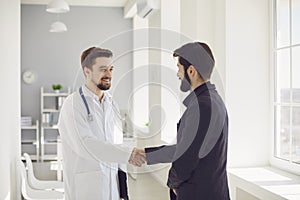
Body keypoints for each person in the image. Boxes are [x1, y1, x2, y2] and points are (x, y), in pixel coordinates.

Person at [134, 42, 230, 200]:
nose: (178, 74)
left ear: (191, 71)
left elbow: (187, 157)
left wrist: (173, 183)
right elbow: (187, 147)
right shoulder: (213, 100)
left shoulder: (202, 106)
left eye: (179, 67)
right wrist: (146, 154)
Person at [58, 47, 146, 200]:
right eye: (103, 69)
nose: (109, 75)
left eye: (111, 69)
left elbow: (118, 145)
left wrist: (123, 192)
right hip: (86, 190)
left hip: (112, 190)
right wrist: (129, 153)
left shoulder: (111, 104)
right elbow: (85, 145)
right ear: (87, 71)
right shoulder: (73, 104)